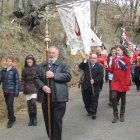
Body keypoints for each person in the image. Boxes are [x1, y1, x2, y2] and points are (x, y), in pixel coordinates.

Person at [33, 46, 71, 140]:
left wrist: (54, 75)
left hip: (59, 99)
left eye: (53, 53)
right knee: (48, 121)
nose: (51, 54)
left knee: (56, 120)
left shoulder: (63, 65)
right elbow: (36, 78)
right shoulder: (41, 66)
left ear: (57, 55)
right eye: (49, 53)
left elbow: (68, 76)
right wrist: (43, 86)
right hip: (46, 99)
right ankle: (51, 137)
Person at [105, 45, 130, 123]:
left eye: (118, 50)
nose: (116, 51)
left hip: (123, 81)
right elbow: (112, 70)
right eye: (116, 50)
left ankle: (122, 114)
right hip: (115, 80)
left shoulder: (126, 59)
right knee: (113, 97)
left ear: (122, 51)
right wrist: (106, 66)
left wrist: (127, 82)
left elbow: (128, 72)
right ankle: (115, 114)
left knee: (123, 98)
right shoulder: (114, 59)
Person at [79, 54, 103, 119]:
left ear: (96, 59)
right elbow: (80, 66)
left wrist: (94, 80)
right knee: (86, 99)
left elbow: (101, 76)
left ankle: (94, 112)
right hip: (86, 85)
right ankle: (89, 110)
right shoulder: (86, 64)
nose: (92, 59)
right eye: (91, 58)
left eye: (94, 58)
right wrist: (85, 60)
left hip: (95, 85)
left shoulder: (99, 66)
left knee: (95, 99)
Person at [0, 56, 19, 128]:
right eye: (7, 61)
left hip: (11, 90)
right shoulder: (3, 70)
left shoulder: (14, 70)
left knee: (10, 105)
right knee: (8, 104)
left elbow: (17, 82)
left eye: (10, 61)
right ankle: (13, 117)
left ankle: (11, 120)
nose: (8, 62)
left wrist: (16, 93)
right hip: (5, 90)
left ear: (12, 62)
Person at [19, 55, 38, 126]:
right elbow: (23, 80)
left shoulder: (37, 68)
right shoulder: (24, 69)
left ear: (33, 61)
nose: (29, 63)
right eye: (27, 62)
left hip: (34, 87)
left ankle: (35, 118)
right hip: (27, 88)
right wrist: (21, 90)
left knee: (33, 102)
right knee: (29, 104)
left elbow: (39, 77)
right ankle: (31, 119)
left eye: (30, 62)